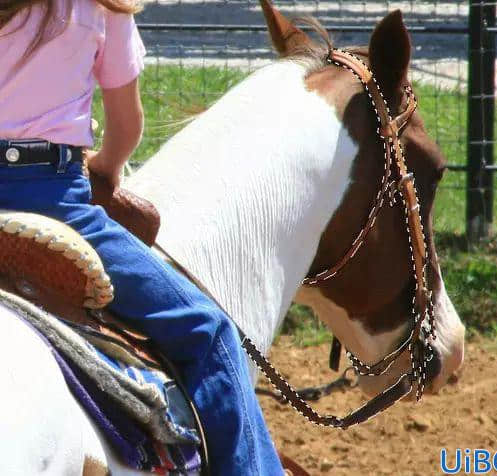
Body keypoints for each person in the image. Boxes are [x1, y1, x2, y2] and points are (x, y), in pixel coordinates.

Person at [0, 0, 284, 474]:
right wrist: (106, 169)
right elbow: (126, 129)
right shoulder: (99, 7)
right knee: (208, 333)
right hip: (55, 202)